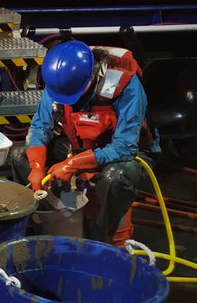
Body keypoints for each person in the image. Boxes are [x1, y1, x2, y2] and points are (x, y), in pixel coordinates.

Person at [9, 40, 159, 244]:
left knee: (115, 178)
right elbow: (39, 127)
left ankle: (100, 243)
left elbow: (125, 147)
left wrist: (72, 164)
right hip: (78, 145)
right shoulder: (59, 79)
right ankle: (40, 221)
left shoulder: (127, 86)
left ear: (92, 76)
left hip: (127, 153)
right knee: (19, 155)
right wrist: (36, 167)